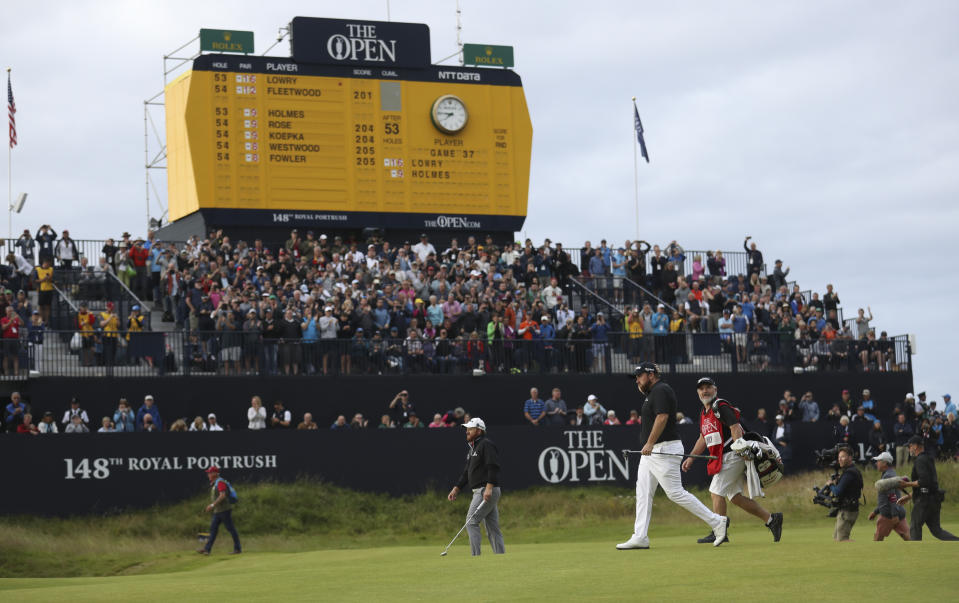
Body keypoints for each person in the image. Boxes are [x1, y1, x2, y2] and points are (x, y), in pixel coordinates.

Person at [617, 363, 728, 550]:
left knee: (675, 493)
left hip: (663, 449)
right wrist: (650, 445)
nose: (637, 380)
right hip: (652, 453)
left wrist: (650, 443)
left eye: (640, 376)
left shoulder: (661, 390)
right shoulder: (652, 393)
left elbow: (662, 417)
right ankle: (640, 536)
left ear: (651, 375)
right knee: (643, 492)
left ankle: (717, 521)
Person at [683, 377, 783, 544]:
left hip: (733, 454)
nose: (705, 391)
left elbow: (735, 427)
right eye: (701, 389)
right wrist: (691, 458)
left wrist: (740, 449)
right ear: (697, 392)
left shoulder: (720, 405)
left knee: (716, 491)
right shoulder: (703, 413)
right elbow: (703, 438)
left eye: (708, 387)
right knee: (735, 497)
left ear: (715, 389)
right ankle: (772, 519)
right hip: (727, 456)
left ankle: (719, 531)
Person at [447, 417, 505, 556]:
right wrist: (456, 488)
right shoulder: (473, 448)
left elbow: (493, 467)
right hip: (483, 490)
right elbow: (467, 472)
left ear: (479, 430)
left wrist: (489, 488)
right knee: (492, 527)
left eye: (470, 429)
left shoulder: (486, 444)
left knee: (471, 521)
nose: (467, 431)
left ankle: (476, 557)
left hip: (485, 490)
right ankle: (501, 557)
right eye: (466, 429)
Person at [898, 435, 959, 541]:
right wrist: (908, 497)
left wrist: (906, 485)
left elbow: (924, 481)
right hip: (934, 499)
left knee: (915, 527)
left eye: (910, 446)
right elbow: (928, 484)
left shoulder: (920, 460)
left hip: (924, 501)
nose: (909, 449)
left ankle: (915, 553)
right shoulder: (928, 458)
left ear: (916, 446)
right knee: (936, 530)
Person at [197, 466, 241, 555]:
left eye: (210, 473)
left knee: (231, 529)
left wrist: (212, 505)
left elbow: (222, 495)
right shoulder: (215, 483)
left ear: (215, 473)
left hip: (224, 510)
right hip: (218, 511)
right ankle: (207, 549)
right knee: (213, 530)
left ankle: (238, 549)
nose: (208, 474)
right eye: (208, 473)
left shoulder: (220, 482)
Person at [868, 452, 909, 541]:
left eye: (878, 461)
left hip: (888, 514)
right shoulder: (891, 473)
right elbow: (886, 498)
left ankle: (875, 555)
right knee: (907, 536)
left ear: (885, 463)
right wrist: (875, 512)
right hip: (898, 511)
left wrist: (894, 515)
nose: (876, 463)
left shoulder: (888, 476)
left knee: (877, 538)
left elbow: (892, 496)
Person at [829, 445, 863, 542]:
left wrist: (831, 485)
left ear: (850, 458)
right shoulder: (853, 471)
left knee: (842, 540)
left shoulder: (849, 473)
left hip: (848, 511)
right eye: (839, 457)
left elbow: (837, 492)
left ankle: (861, 553)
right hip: (848, 509)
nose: (840, 459)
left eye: (843, 457)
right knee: (836, 538)